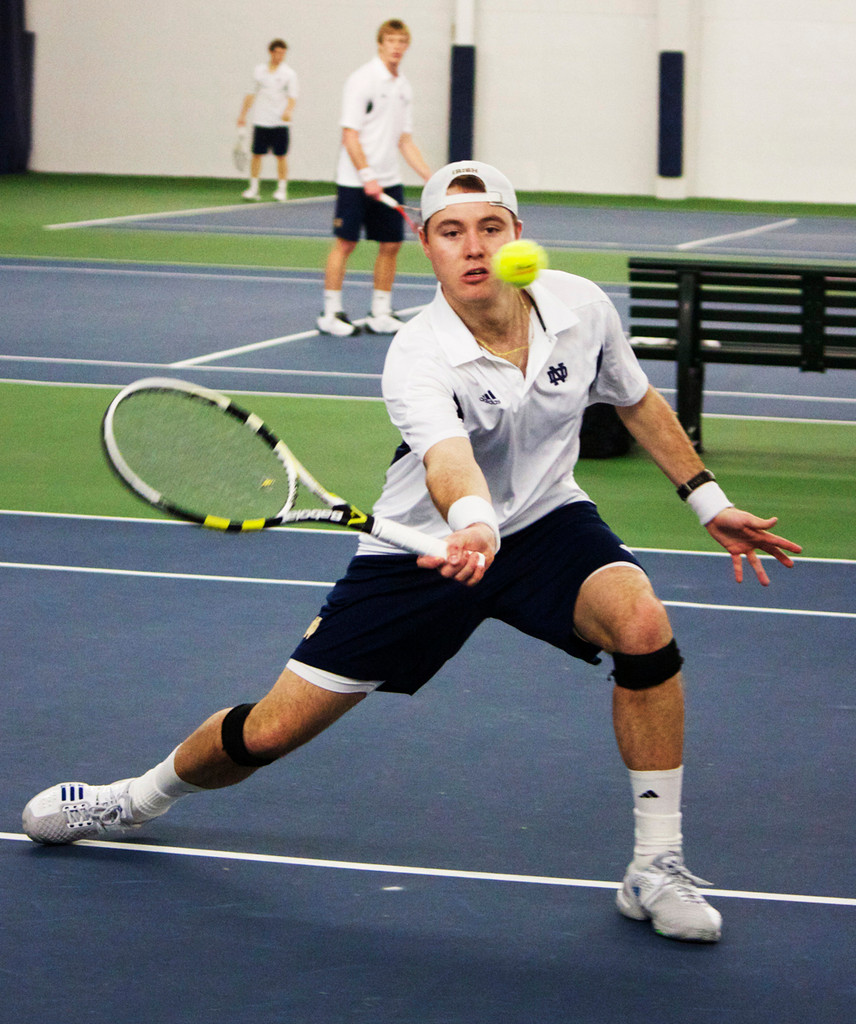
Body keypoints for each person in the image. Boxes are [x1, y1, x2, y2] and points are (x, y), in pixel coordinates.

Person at [23, 161, 802, 945]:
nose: (473, 247)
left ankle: (654, 866)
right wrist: (470, 521)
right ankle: (135, 799)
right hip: (423, 551)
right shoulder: (418, 352)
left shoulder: (580, 307)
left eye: (490, 227)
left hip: (547, 524)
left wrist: (707, 499)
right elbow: (445, 459)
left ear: (516, 237)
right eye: (452, 231)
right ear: (425, 242)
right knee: (269, 733)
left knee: (643, 626)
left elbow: (632, 397)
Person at [316, 18, 431, 337]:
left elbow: (404, 140)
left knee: (391, 244)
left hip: (389, 177)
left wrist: (430, 177)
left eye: (402, 41)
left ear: (406, 46)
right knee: (346, 242)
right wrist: (366, 175)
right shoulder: (362, 80)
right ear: (380, 44)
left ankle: (380, 311)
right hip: (355, 180)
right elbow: (350, 135)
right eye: (391, 40)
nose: (396, 47)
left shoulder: (403, 87)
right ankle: (330, 312)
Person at [237, 38, 299, 202]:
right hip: (261, 120)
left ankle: (281, 190)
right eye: (277, 52)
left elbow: (293, 97)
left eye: (283, 53)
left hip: (280, 123)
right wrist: (243, 115)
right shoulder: (259, 70)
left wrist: (288, 110)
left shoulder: (289, 73)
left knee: (281, 156)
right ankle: (253, 188)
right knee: (256, 154)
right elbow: (250, 94)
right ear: (271, 52)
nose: (280, 56)